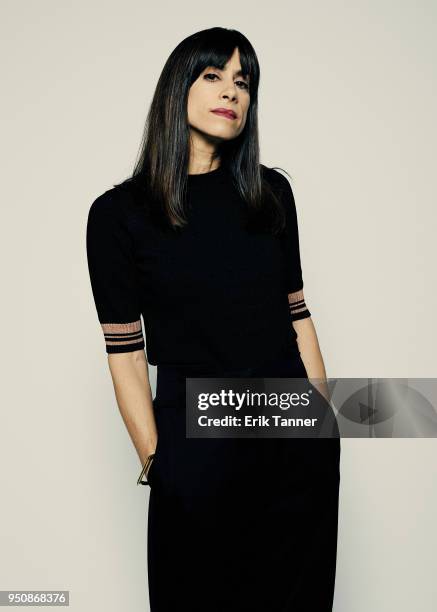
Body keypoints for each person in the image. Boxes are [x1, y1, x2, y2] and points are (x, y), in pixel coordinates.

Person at [86, 26, 340, 612]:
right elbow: (124, 353)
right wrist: (158, 461)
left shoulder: (271, 194)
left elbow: (297, 316)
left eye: (243, 82)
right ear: (179, 87)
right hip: (194, 440)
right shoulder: (119, 214)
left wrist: (321, 425)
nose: (232, 92)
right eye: (213, 76)